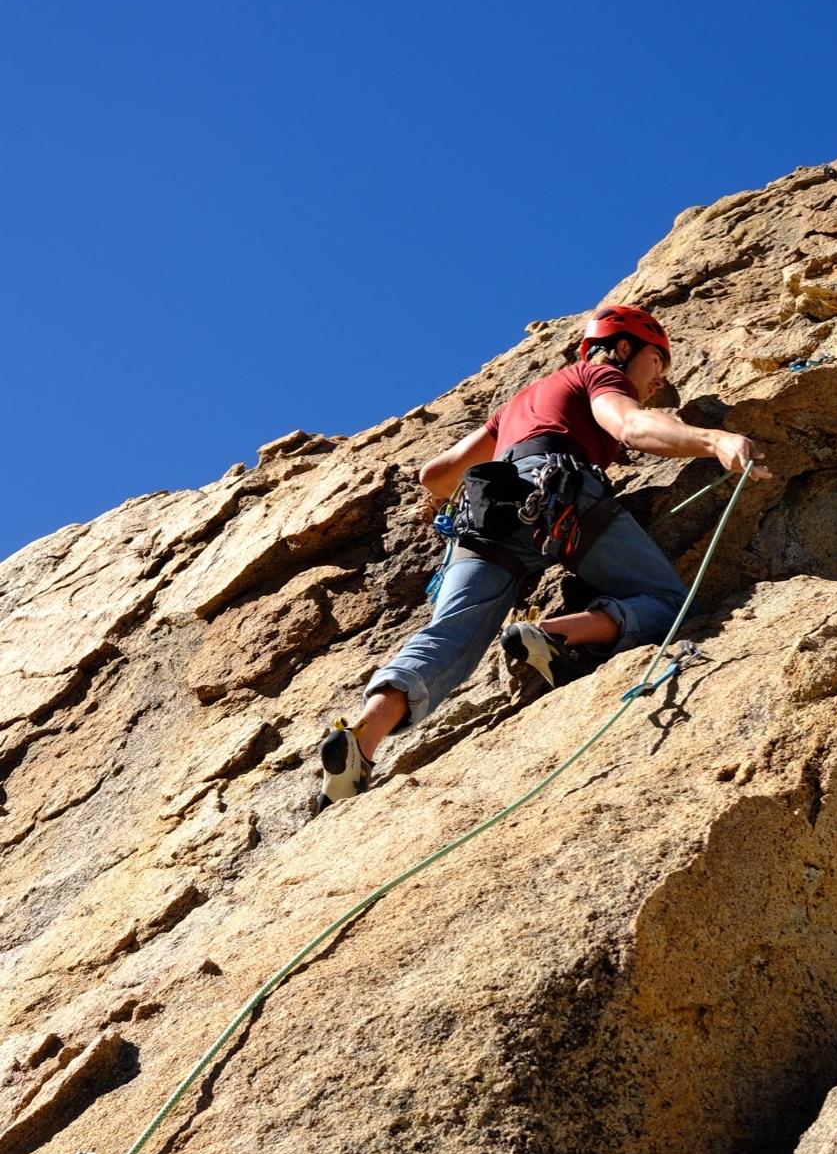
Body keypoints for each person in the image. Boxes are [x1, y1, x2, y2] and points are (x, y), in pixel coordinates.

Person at [317, 304, 770, 803]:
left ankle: (364, 736)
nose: (659, 381)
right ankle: (552, 635)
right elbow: (631, 427)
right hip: (557, 493)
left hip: (485, 512)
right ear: (622, 349)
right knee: (667, 603)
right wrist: (716, 439)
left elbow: (436, 475)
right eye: (656, 364)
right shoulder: (598, 373)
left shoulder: (518, 404)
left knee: (451, 634)